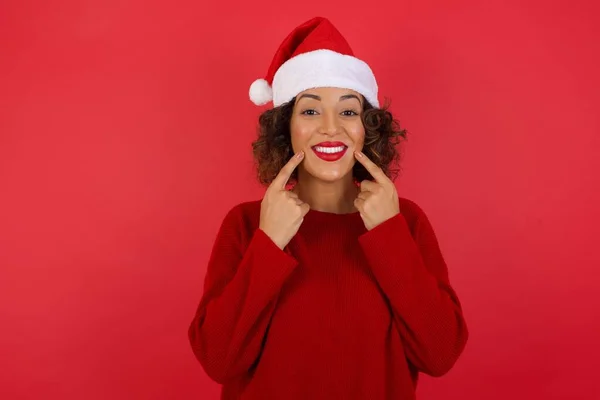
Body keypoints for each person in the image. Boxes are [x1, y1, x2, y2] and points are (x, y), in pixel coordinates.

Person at [188, 16, 468, 400]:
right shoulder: (245, 225)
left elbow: (440, 354)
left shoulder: (406, 222)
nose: (331, 127)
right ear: (285, 127)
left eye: (349, 112)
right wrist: (268, 243)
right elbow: (218, 360)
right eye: (310, 111)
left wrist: (389, 235)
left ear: (367, 127)